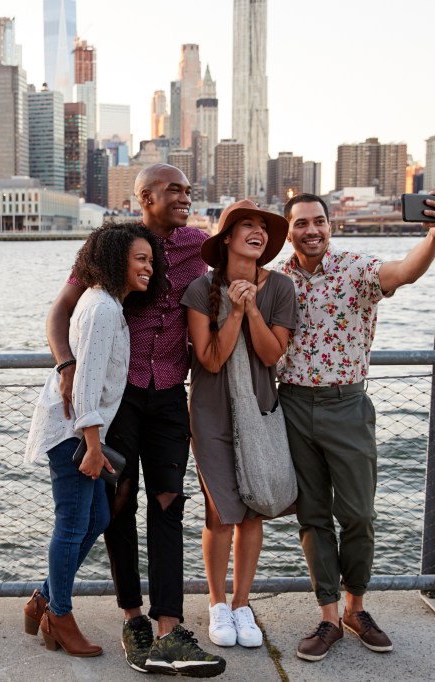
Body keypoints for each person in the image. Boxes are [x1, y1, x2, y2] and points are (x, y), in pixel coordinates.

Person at [45, 164, 226, 677]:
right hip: (119, 398)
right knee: (117, 505)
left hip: (170, 394)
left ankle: (170, 629)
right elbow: (59, 311)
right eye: (173, 190)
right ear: (143, 197)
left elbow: (246, 250)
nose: (185, 196)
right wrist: (66, 364)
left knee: (169, 503)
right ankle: (133, 618)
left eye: (189, 189)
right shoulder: (112, 244)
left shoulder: (198, 243)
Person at [276, 191, 435, 662]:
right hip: (290, 403)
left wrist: (434, 236)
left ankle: (357, 608)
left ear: (330, 226)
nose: (311, 231)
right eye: (301, 224)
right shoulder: (277, 279)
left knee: (358, 514)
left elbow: (404, 272)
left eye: (319, 222)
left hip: (347, 404)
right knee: (313, 516)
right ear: (288, 229)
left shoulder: (357, 268)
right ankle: (329, 617)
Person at [23, 223, 166, 657]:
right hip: (74, 432)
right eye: (140, 259)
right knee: (72, 522)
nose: (149, 267)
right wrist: (91, 445)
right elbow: (83, 384)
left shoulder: (107, 305)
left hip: (82, 430)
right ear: (114, 259)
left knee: (99, 514)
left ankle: (44, 598)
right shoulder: (102, 309)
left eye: (151, 260)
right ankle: (59, 616)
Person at [180, 199, 297, 649]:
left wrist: (251, 310)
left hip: (262, 411)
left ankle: (242, 603)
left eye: (263, 228)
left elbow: (271, 355)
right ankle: (216, 604)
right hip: (210, 414)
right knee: (220, 511)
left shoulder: (280, 288)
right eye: (246, 225)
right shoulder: (198, 290)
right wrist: (231, 310)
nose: (257, 232)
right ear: (226, 238)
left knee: (254, 508)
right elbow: (209, 360)